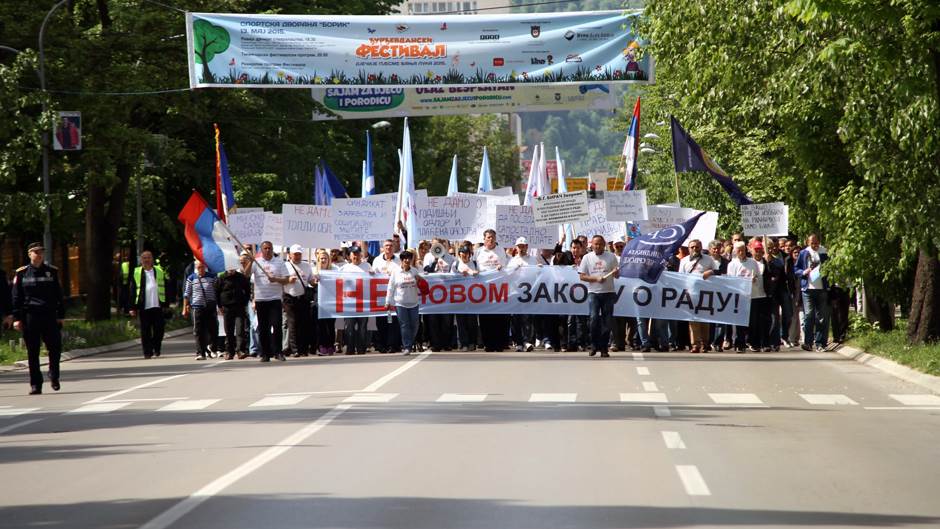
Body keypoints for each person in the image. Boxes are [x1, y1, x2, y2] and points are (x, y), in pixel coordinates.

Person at [11, 243, 65, 395]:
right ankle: (36, 384)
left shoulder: (52, 272)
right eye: (36, 252)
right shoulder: (22, 273)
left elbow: (59, 295)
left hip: (49, 315)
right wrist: (16, 318)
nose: (39, 255)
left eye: (41, 252)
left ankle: (54, 375)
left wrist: (61, 315)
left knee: (55, 347)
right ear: (29, 254)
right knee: (32, 351)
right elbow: (16, 296)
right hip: (30, 316)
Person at [250, 241, 295, 362]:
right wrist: (250, 261)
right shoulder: (257, 263)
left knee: (276, 326)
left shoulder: (279, 262)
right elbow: (246, 274)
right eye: (265, 248)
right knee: (263, 328)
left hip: (275, 299)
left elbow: (286, 280)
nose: (267, 250)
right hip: (261, 299)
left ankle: (278, 352)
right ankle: (265, 353)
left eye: (269, 248)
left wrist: (275, 279)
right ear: (262, 250)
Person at [578, 235, 619, 357]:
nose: (598, 246)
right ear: (592, 245)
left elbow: (616, 275)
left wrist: (616, 273)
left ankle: (604, 348)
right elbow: (582, 276)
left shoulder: (611, 257)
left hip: (608, 293)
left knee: (607, 321)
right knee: (594, 319)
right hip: (593, 293)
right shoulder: (587, 258)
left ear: (604, 244)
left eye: (600, 244)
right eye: (595, 244)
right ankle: (594, 344)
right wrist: (595, 278)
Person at [126, 250, 169, 359]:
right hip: (143, 306)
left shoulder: (159, 271)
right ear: (141, 260)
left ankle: (156, 348)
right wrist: (132, 307)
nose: (146, 260)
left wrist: (166, 303)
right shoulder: (137, 272)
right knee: (145, 331)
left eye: (148, 257)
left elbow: (166, 287)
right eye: (144, 258)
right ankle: (147, 352)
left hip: (157, 305)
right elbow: (132, 290)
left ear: (152, 259)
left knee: (159, 329)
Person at [679, 239, 717, 353]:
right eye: (692, 247)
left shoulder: (709, 259)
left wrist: (710, 272)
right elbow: (680, 277)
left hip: (705, 294)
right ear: (689, 248)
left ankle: (705, 344)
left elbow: (718, 272)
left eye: (697, 247)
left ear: (701, 248)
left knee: (704, 320)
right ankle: (695, 344)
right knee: (693, 320)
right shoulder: (684, 261)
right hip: (690, 294)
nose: (695, 249)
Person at [794, 233, 830, 351]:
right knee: (809, 315)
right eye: (812, 243)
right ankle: (808, 342)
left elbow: (830, 267)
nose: (815, 245)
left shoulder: (824, 252)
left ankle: (820, 343)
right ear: (808, 243)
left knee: (822, 317)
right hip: (808, 289)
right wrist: (804, 272)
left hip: (821, 289)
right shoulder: (804, 253)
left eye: (816, 243)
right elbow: (796, 269)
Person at [475, 229, 509, 351]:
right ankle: (488, 344)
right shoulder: (478, 252)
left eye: (493, 237)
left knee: (498, 317)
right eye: (488, 237)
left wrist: (502, 266)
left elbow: (506, 265)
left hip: (498, 289)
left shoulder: (500, 250)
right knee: (485, 318)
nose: (491, 239)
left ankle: (499, 343)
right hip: (484, 289)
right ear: (484, 239)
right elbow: (474, 266)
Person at [280, 244, 315, 358]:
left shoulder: (306, 265)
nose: (297, 256)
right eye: (295, 254)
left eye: (299, 254)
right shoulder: (285, 266)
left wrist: (315, 280)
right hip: (290, 297)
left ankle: (303, 348)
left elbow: (311, 280)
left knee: (304, 323)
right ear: (290, 255)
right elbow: (279, 281)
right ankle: (294, 349)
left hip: (303, 298)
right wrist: (288, 280)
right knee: (292, 323)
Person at [215, 253, 252, 360]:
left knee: (240, 329)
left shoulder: (241, 277)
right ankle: (229, 351)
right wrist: (219, 306)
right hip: (226, 308)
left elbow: (247, 290)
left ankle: (240, 350)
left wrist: (245, 302)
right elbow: (216, 293)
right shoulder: (221, 278)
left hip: (239, 307)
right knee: (229, 331)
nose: (231, 269)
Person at [385, 250, 422, 355]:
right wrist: (388, 301)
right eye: (404, 258)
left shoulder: (414, 271)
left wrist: (420, 281)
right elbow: (390, 287)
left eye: (409, 258)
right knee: (404, 325)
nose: (407, 260)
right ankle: (407, 346)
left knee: (415, 325)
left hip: (414, 303)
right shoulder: (395, 272)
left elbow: (421, 286)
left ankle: (409, 341)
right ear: (401, 260)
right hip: (400, 303)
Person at [341, 246, 374, 354]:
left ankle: (361, 349)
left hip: (363, 303)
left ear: (361, 254)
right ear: (349, 256)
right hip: (349, 303)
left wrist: (373, 275)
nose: (356, 256)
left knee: (362, 327)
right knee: (349, 327)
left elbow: (374, 279)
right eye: (353, 254)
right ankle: (350, 349)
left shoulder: (367, 266)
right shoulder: (345, 268)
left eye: (357, 253)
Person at [183, 260, 219, 360]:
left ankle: (212, 348)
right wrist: (185, 308)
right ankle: (200, 353)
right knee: (198, 331)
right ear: (196, 268)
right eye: (199, 267)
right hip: (197, 307)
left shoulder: (212, 277)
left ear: (205, 267)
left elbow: (217, 290)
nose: (201, 269)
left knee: (213, 329)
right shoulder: (191, 278)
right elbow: (186, 294)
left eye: (202, 267)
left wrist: (219, 305)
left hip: (210, 307)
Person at [371, 239, 402, 353]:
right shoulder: (377, 260)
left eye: (390, 246)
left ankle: (393, 345)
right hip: (380, 297)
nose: (388, 248)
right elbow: (372, 274)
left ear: (394, 247)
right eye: (386, 246)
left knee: (393, 321)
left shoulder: (399, 260)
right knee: (382, 321)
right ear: (383, 248)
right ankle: (382, 344)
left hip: (395, 296)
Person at [506, 237, 536, 352]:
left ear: (527, 247)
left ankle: (527, 341)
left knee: (527, 318)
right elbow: (508, 275)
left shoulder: (532, 260)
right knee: (516, 319)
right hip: (515, 292)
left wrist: (539, 268)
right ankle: (518, 342)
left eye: (523, 246)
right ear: (516, 247)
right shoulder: (512, 260)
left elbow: (538, 273)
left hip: (529, 293)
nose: (521, 248)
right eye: (519, 246)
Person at [453, 244, 479, 351]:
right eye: (462, 253)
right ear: (459, 254)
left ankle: (472, 342)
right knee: (461, 321)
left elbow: (481, 274)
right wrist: (459, 273)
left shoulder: (474, 263)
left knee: (472, 321)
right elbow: (451, 277)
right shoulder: (456, 264)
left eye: (466, 253)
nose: (464, 255)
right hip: (460, 298)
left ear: (469, 254)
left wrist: (476, 273)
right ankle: (464, 343)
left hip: (472, 297)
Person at [312, 249, 338, 355]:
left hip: (331, 301)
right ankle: (322, 346)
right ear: (318, 260)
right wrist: (315, 280)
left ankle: (330, 345)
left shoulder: (334, 270)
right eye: (321, 258)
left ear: (329, 260)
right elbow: (311, 284)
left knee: (330, 325)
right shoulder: (314, 270)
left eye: (325, 258)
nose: (323, 260)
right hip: (319, 301)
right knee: (321, 325)